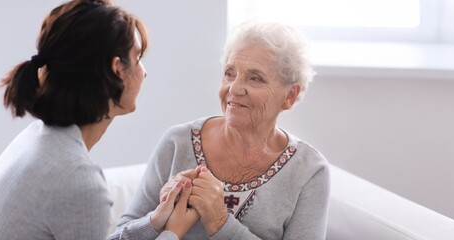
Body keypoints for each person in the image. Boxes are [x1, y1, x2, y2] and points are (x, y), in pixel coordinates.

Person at [111, 21, 330, 240]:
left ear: (290, 96)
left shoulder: (309, 170)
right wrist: (158, 219)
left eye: (255, 78)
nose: (234, 89)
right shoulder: (177, 142)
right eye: (229, 74)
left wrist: (220, 222)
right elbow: (120, 234)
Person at [0, 1, 195, 239]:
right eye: (138, 57)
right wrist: (173, 233)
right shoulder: (79, 179)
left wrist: (153, 224)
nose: (144, 71)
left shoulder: (34, 137)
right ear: (117, 68)